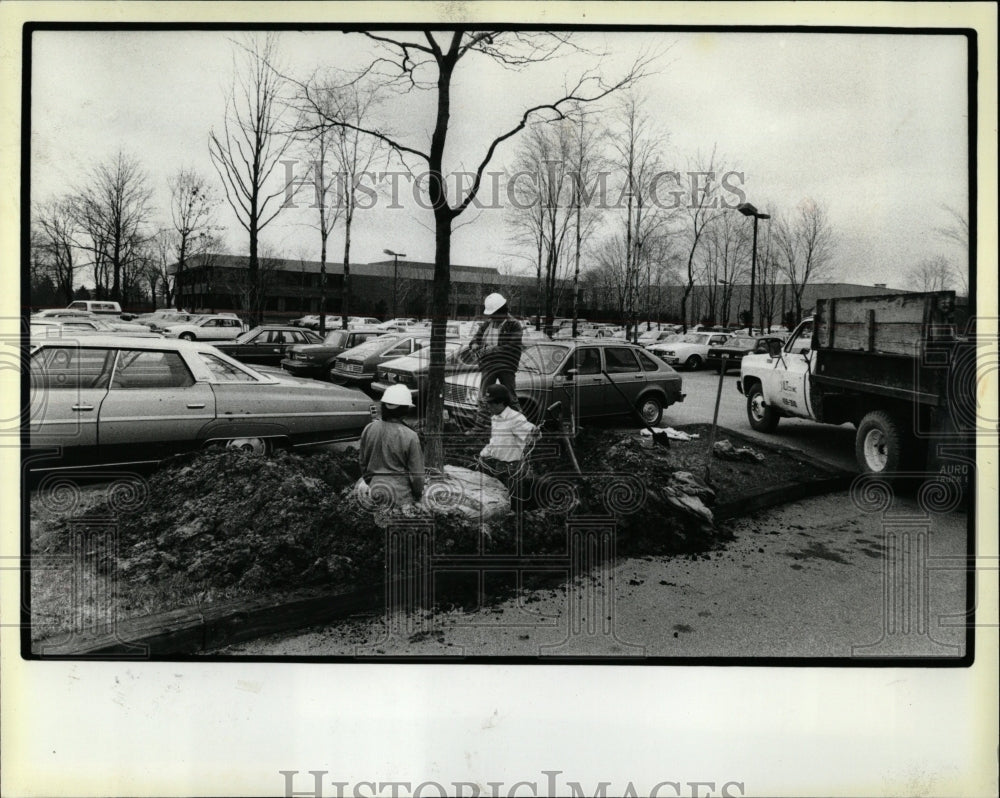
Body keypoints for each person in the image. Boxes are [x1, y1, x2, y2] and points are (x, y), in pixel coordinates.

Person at [358, 383, 425, 508]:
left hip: (375, 490)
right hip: (400, 497)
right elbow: (417, 476)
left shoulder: (369, 429)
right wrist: (418, 495)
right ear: (405, 410)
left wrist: (371, 482)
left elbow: (362, 463)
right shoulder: (410, 436)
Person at [474, 384, 538, 498]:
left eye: (491, 403)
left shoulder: (515, 418)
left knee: (511, 497)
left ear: (501, 402)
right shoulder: (495, 417)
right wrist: (483, 454)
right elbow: (495, 441)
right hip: (497, 466)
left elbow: (531, 433)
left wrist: (534, 431)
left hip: (511, 469)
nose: (488, 406)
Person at [470, 292, 524, 426]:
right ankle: (481, 427)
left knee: (510, 396)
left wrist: (490, 349)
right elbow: (475, 338)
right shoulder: (488, 323)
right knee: (484, 396)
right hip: (489, 365)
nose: (492, 317)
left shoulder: (514, 325)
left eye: (494, 314)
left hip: (506, 365)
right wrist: (475, 344)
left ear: (502, 311)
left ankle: (521, 426)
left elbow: (511, 346)